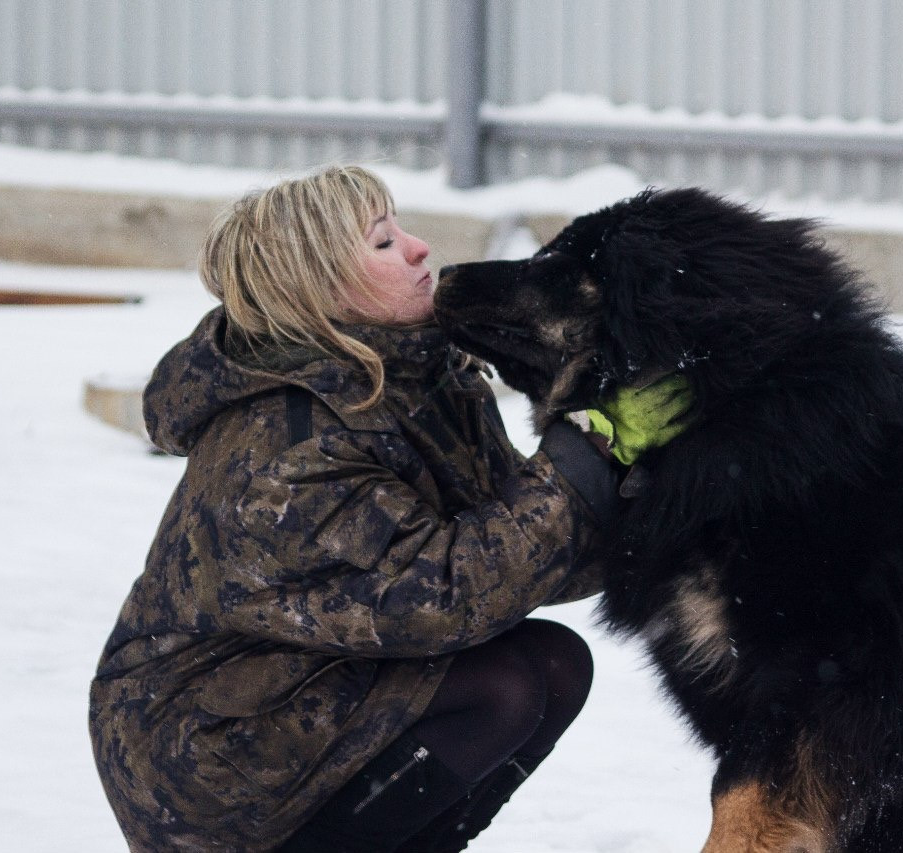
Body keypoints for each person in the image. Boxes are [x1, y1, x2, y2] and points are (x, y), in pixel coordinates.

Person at [88, 165, 629, 852]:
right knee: (505, 685)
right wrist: (577, 466)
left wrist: (646, 501)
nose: (418, 248)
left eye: (399, 227)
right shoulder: (288, 442)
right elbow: (443, 593)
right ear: (319, 291)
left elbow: (517, 544)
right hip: (200, 746)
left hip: (308, 680)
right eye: (382, 244)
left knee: (551, 667)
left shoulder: (421, 375)